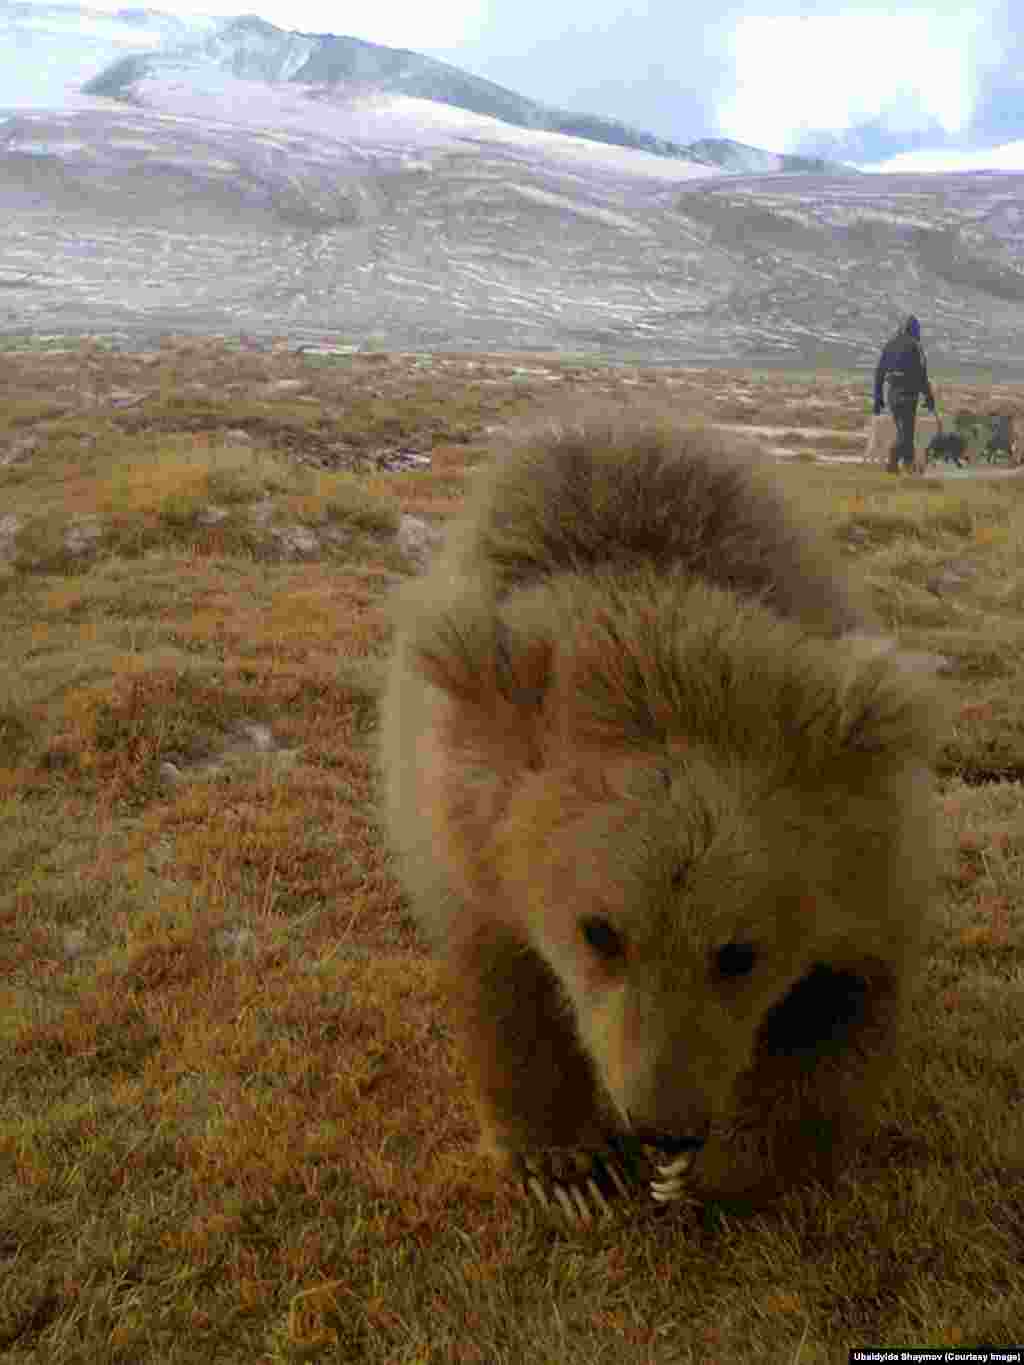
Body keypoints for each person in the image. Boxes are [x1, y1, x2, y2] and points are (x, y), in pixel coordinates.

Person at [873, 315, 936, 473]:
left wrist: (878, 398)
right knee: (906, 433)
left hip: (892, 394)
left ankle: (908, 465)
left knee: (905, 431)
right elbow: (922, 375)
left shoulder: (890, 345)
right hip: (908, 394)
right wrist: (929, 398)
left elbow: (879, 372)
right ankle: (894, 460)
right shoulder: (916, 346)